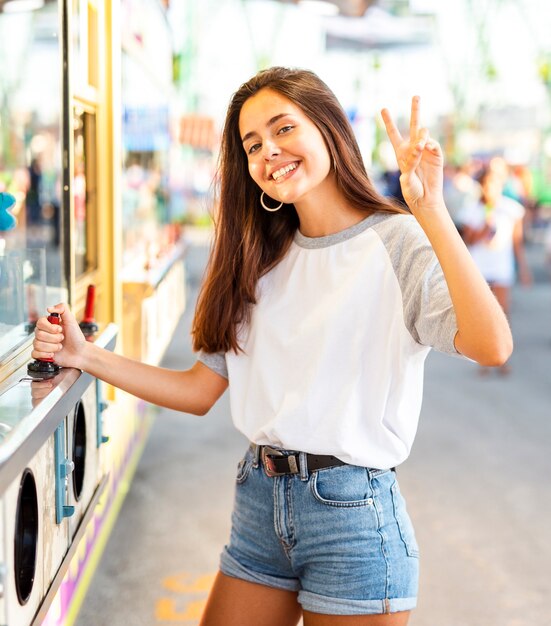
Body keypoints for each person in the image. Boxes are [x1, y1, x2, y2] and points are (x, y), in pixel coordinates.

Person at [32, 67, 512, 626]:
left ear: (329, 129)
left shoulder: (396, 241)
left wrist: (430, 212)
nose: (268, 153)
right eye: (252, 144)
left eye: (284, 129)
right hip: (259, 504)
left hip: (353, 517)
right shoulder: (255, 258)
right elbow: (198, 390)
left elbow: (492, 345)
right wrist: (83, 356)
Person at [458, 166, 531, 374]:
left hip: (501, 267)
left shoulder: (511, 209)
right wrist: (485, 226)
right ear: (481, 186)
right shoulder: (471, 209)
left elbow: (517, 242)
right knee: (481, 315)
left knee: (503, 313)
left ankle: (502, 356)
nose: (491, 188)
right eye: (487, 184)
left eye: (495, 184)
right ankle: (483, 359)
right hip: (479, 269)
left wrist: (523, 269)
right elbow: (469, 241)